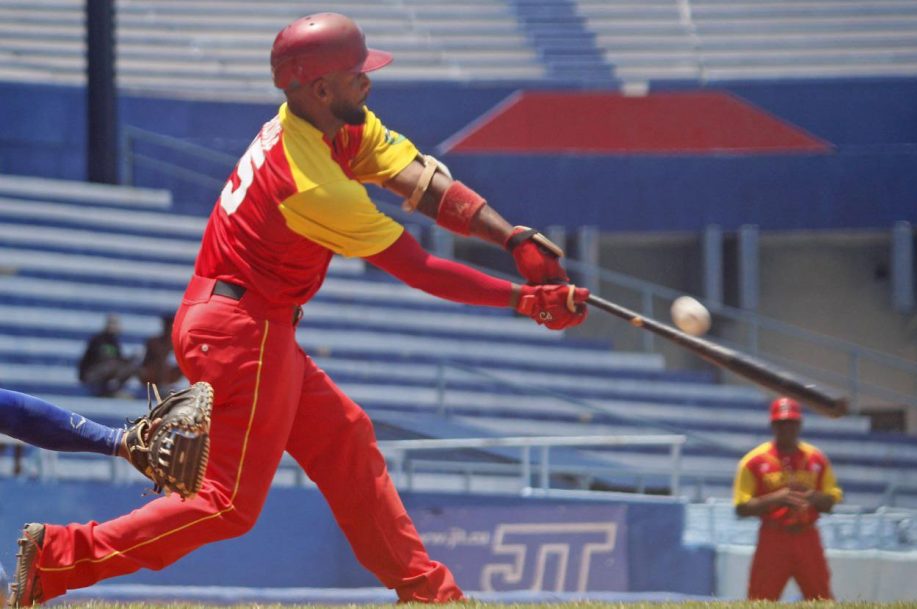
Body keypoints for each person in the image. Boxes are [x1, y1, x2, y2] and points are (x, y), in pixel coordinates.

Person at [10, 12, 589, 607]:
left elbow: (421, 181)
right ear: (320, 87)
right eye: (357, 74)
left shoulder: (330, 123)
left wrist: (512, 238)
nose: (368, 81)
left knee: (344, 437)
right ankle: (56, 561)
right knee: (226, 504)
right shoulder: (310, 182)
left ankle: (427, 594)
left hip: (245, 322)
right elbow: (419, 268)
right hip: (241, 330)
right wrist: (526, 301)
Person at [733, 397, 843, 601]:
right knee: (760, 599)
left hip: (807, 536)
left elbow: (831, 500)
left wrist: (811, 497)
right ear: (773, 425)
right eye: (781, 423)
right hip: (773, 536)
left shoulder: (816, 458)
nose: (787, 428)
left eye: (791, 423)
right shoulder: (754, 461)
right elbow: (741, 507)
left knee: (821, 598)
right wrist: (777, 498)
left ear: (799, 424)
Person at [77, 315, 140, 398]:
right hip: (93, 373)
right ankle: (104, 388)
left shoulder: (114, 342)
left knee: (132, 366)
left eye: (116, 324)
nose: (114, 327)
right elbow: (91, 360)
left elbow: (120, 359)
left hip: (109, 373)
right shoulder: (97, 340)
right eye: (112, 324)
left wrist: (132, 359)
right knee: (112, 364)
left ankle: (113, 387)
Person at [137, 314, 183, 395]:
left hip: (168, 374)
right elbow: (147, 362)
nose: (170, 329)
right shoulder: (154, 342)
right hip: (151, 375)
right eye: (169, 327)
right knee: (161, 361)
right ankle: (163, 386)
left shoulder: (176, 343)